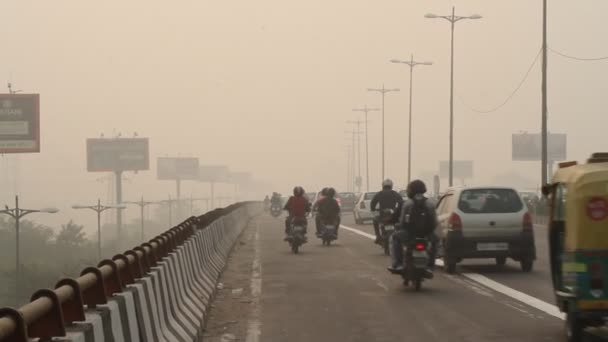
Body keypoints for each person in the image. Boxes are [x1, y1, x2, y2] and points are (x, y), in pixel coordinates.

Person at [389, 180, 438, 276]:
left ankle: (398, 264)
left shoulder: (408, 204)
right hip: (426, 234)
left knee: (395, 238)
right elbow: (434, 222)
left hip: (410, 234)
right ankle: (431, 265)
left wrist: (400, 226)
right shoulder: (430, 203)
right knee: (436, 242)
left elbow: (402, 222)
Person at [370, 179, 404, 244]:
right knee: (400, 223)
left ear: (383, 185)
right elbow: (401, 202)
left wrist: (373, 209)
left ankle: (378, 236)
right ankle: (400, 237)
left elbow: (373, 203)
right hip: (393, 215)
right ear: (391, 185)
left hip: (382, 215)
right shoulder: (395, 193)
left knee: (375, 220)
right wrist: (398, 210)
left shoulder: (379, 193)